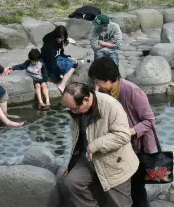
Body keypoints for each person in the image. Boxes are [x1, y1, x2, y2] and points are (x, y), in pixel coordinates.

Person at [89, 58, 156, 207]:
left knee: (137, 187)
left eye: (97, 81)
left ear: (108, 80)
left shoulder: (133, 91)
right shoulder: (103, 93)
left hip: (137, 147)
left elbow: (150, 120)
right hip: (119, 147)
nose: (96, 84)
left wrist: (128, 132)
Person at [61, 82, 140, 207]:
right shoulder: (75, 112)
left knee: (121, 204)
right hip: (88, 159)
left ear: (86, 99)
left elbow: (123, 135)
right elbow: (77, 138)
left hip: (114, 162)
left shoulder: (111, 105)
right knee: (72, 182)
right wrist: (72, 161)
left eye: (75, 108)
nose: (73, 112)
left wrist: (95, 145)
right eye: (70, 109)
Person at [42, 25, 79, 93]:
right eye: (58, 38)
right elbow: (50, 62)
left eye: (61, 38)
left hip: (57, 59)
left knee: (75, 62)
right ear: (55, 35)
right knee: (74, 64)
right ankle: (62, 84)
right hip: (51, 63)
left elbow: (60, 52)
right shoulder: (49, 45)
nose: (60, 40)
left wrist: (67, 57)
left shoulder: (60, 41)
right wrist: (58, 75)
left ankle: (62, 82)